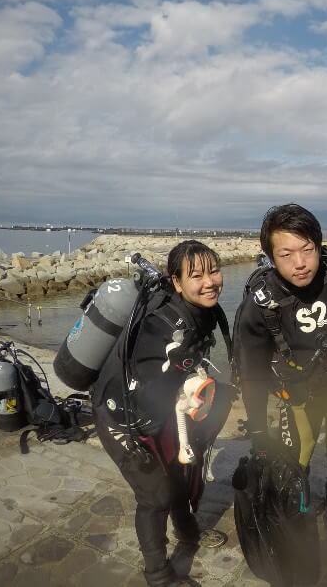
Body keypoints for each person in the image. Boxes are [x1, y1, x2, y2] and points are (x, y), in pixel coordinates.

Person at [93, 241, 232, 587]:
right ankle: (158, 575)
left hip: (157, 410)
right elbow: (144, 390)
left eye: (214, 271)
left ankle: (187, 531)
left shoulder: (201, 310)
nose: (210, 282)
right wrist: (181, 374)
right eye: (196, 275)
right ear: (176, 282)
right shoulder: (160, 324)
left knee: (180, 475)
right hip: (121, 415)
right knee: (155, 495)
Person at [234, 204, 327, 521]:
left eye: (307, 250)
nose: (300, 263)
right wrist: (258, 429)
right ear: (271, 257)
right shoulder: (260, 305)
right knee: (297, 457)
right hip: (298, 395)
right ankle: (297, 515)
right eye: (286, 254)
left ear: (319, 245)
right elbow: (253, 373)